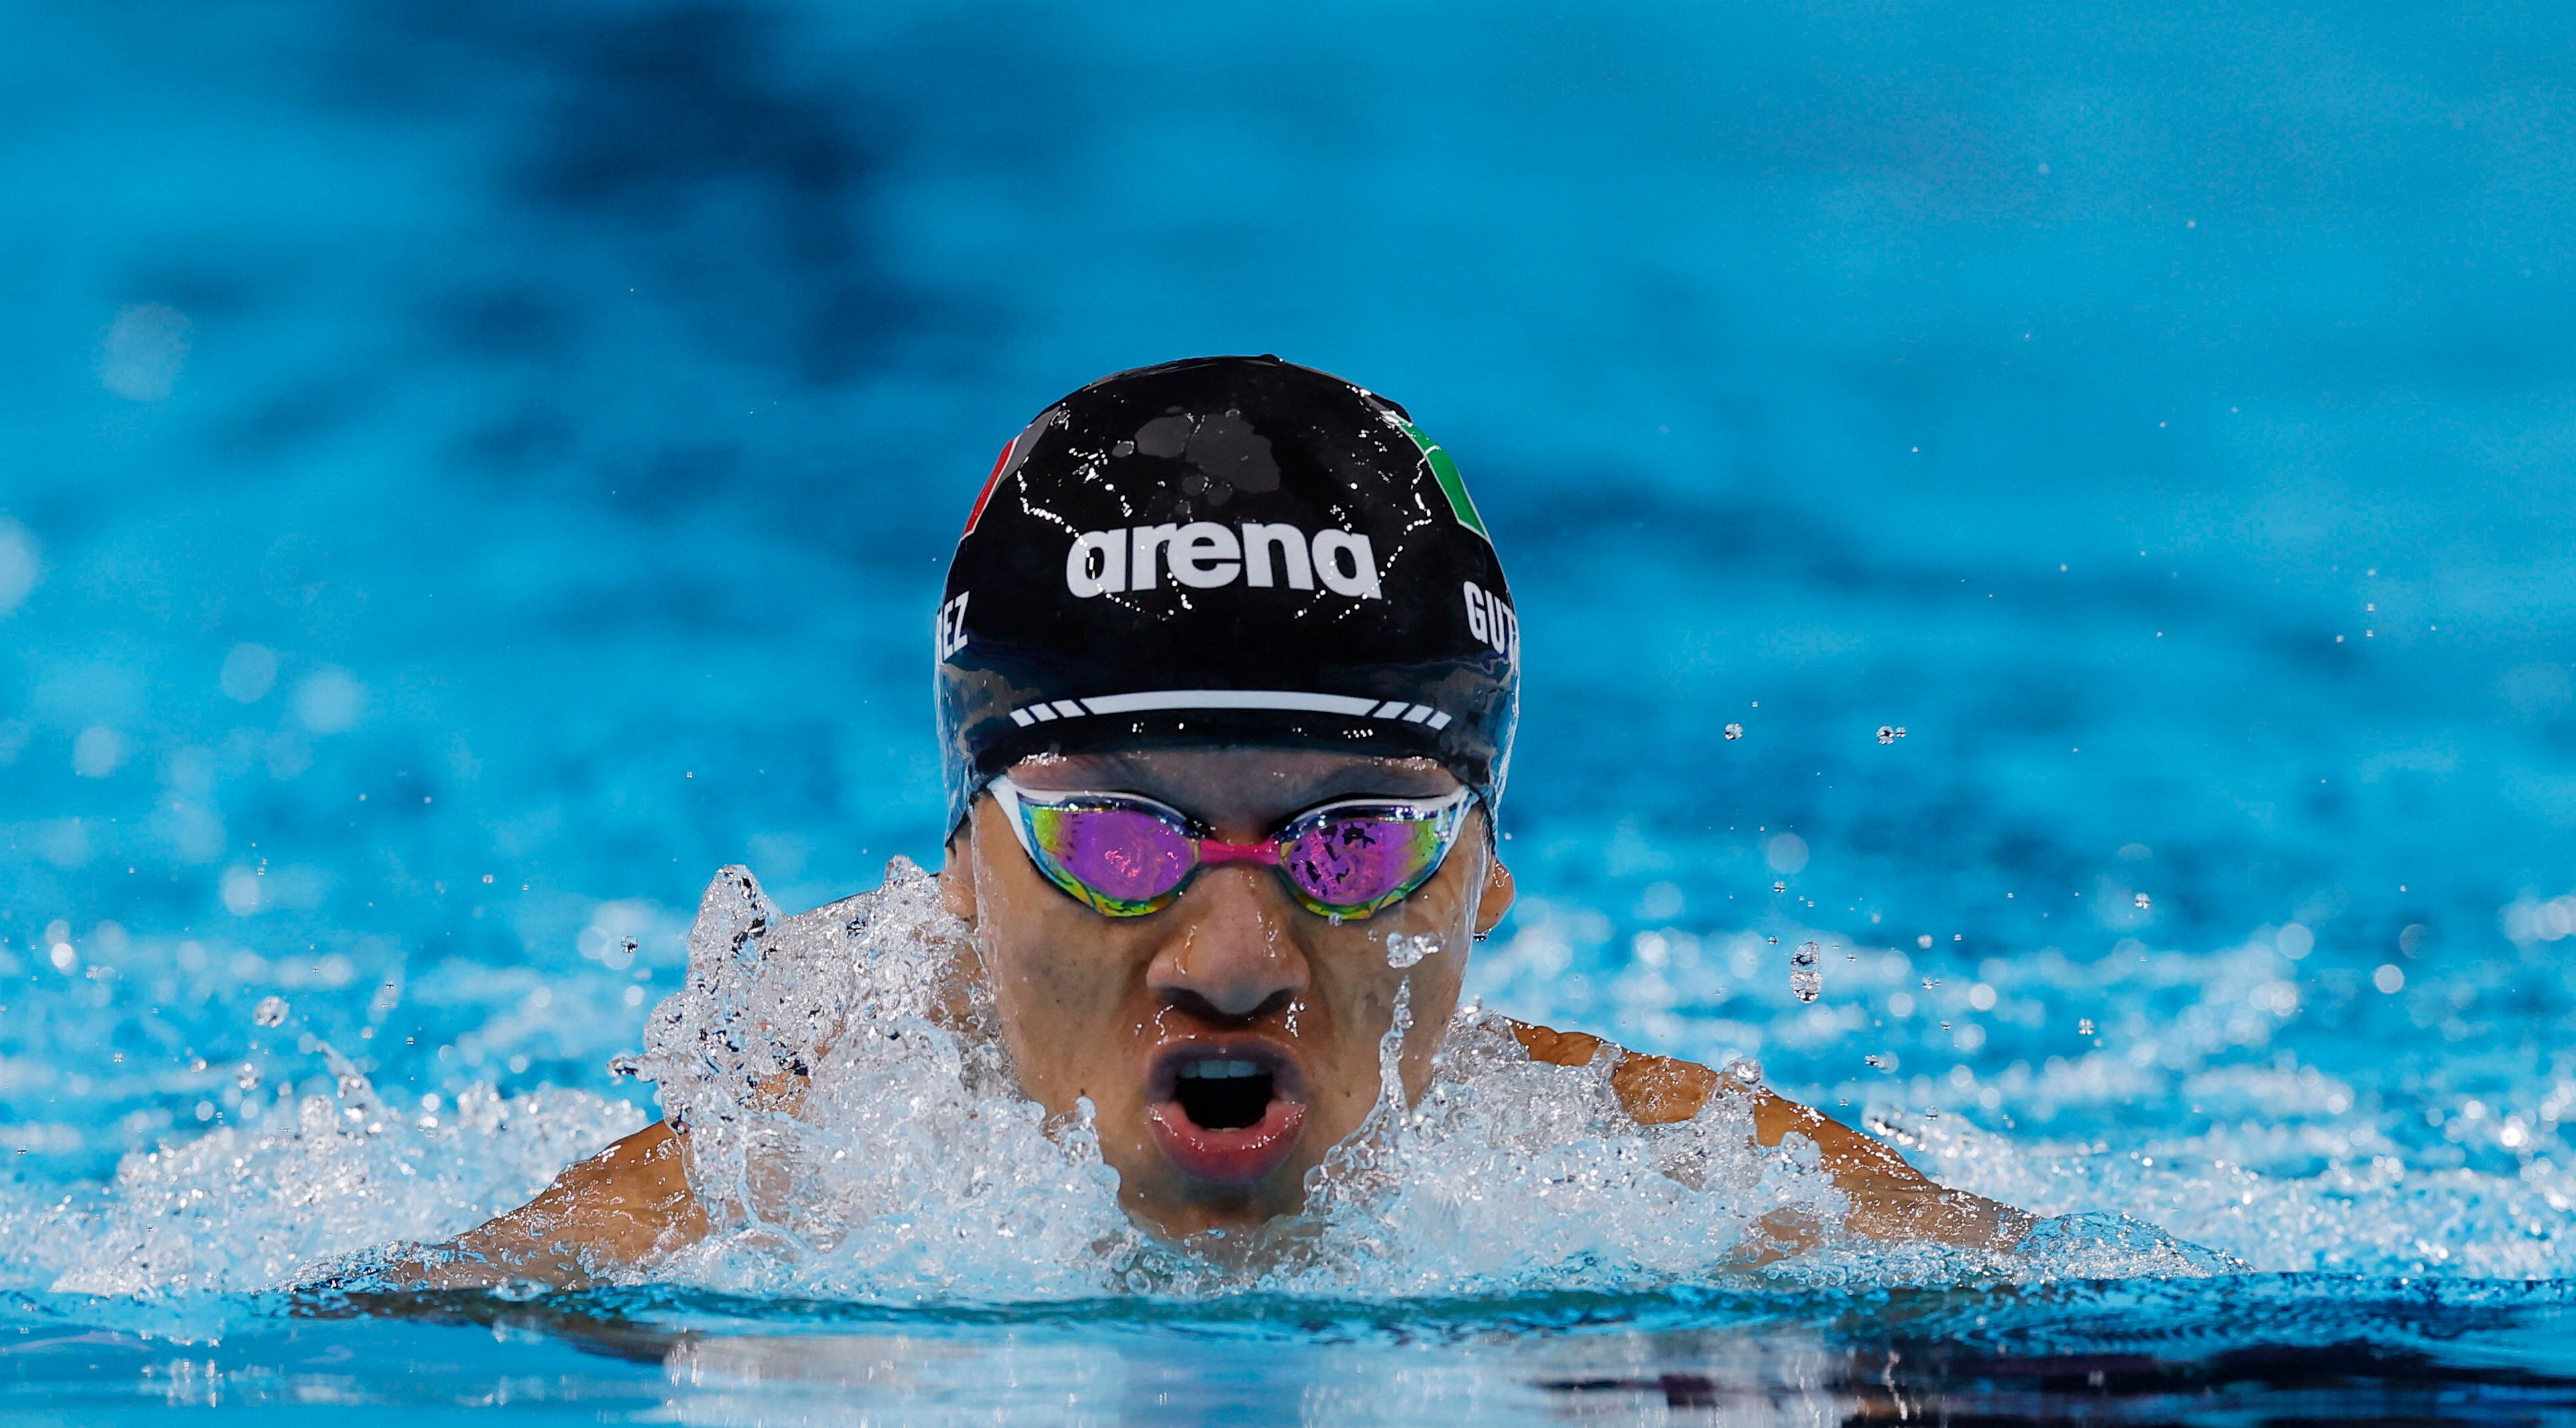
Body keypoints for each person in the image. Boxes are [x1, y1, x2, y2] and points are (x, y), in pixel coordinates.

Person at [402, 356, 2028, 1289]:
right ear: (964, 869)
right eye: (1117, 840)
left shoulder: (1671, 1193)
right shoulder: (755, 1220)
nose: (1238, 962)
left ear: (1486, 884)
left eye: (1353, 845)